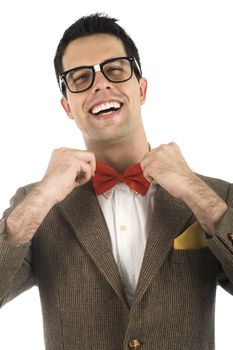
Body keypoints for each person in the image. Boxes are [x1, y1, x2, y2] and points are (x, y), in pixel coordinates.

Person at [0, 13, 233, 350]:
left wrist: (197, 193)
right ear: (68, 106)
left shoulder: (215, 196)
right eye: (80, 77)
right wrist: (42, 195)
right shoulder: (37, 204)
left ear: (141, 88)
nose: (100, 84)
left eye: (116, 69)